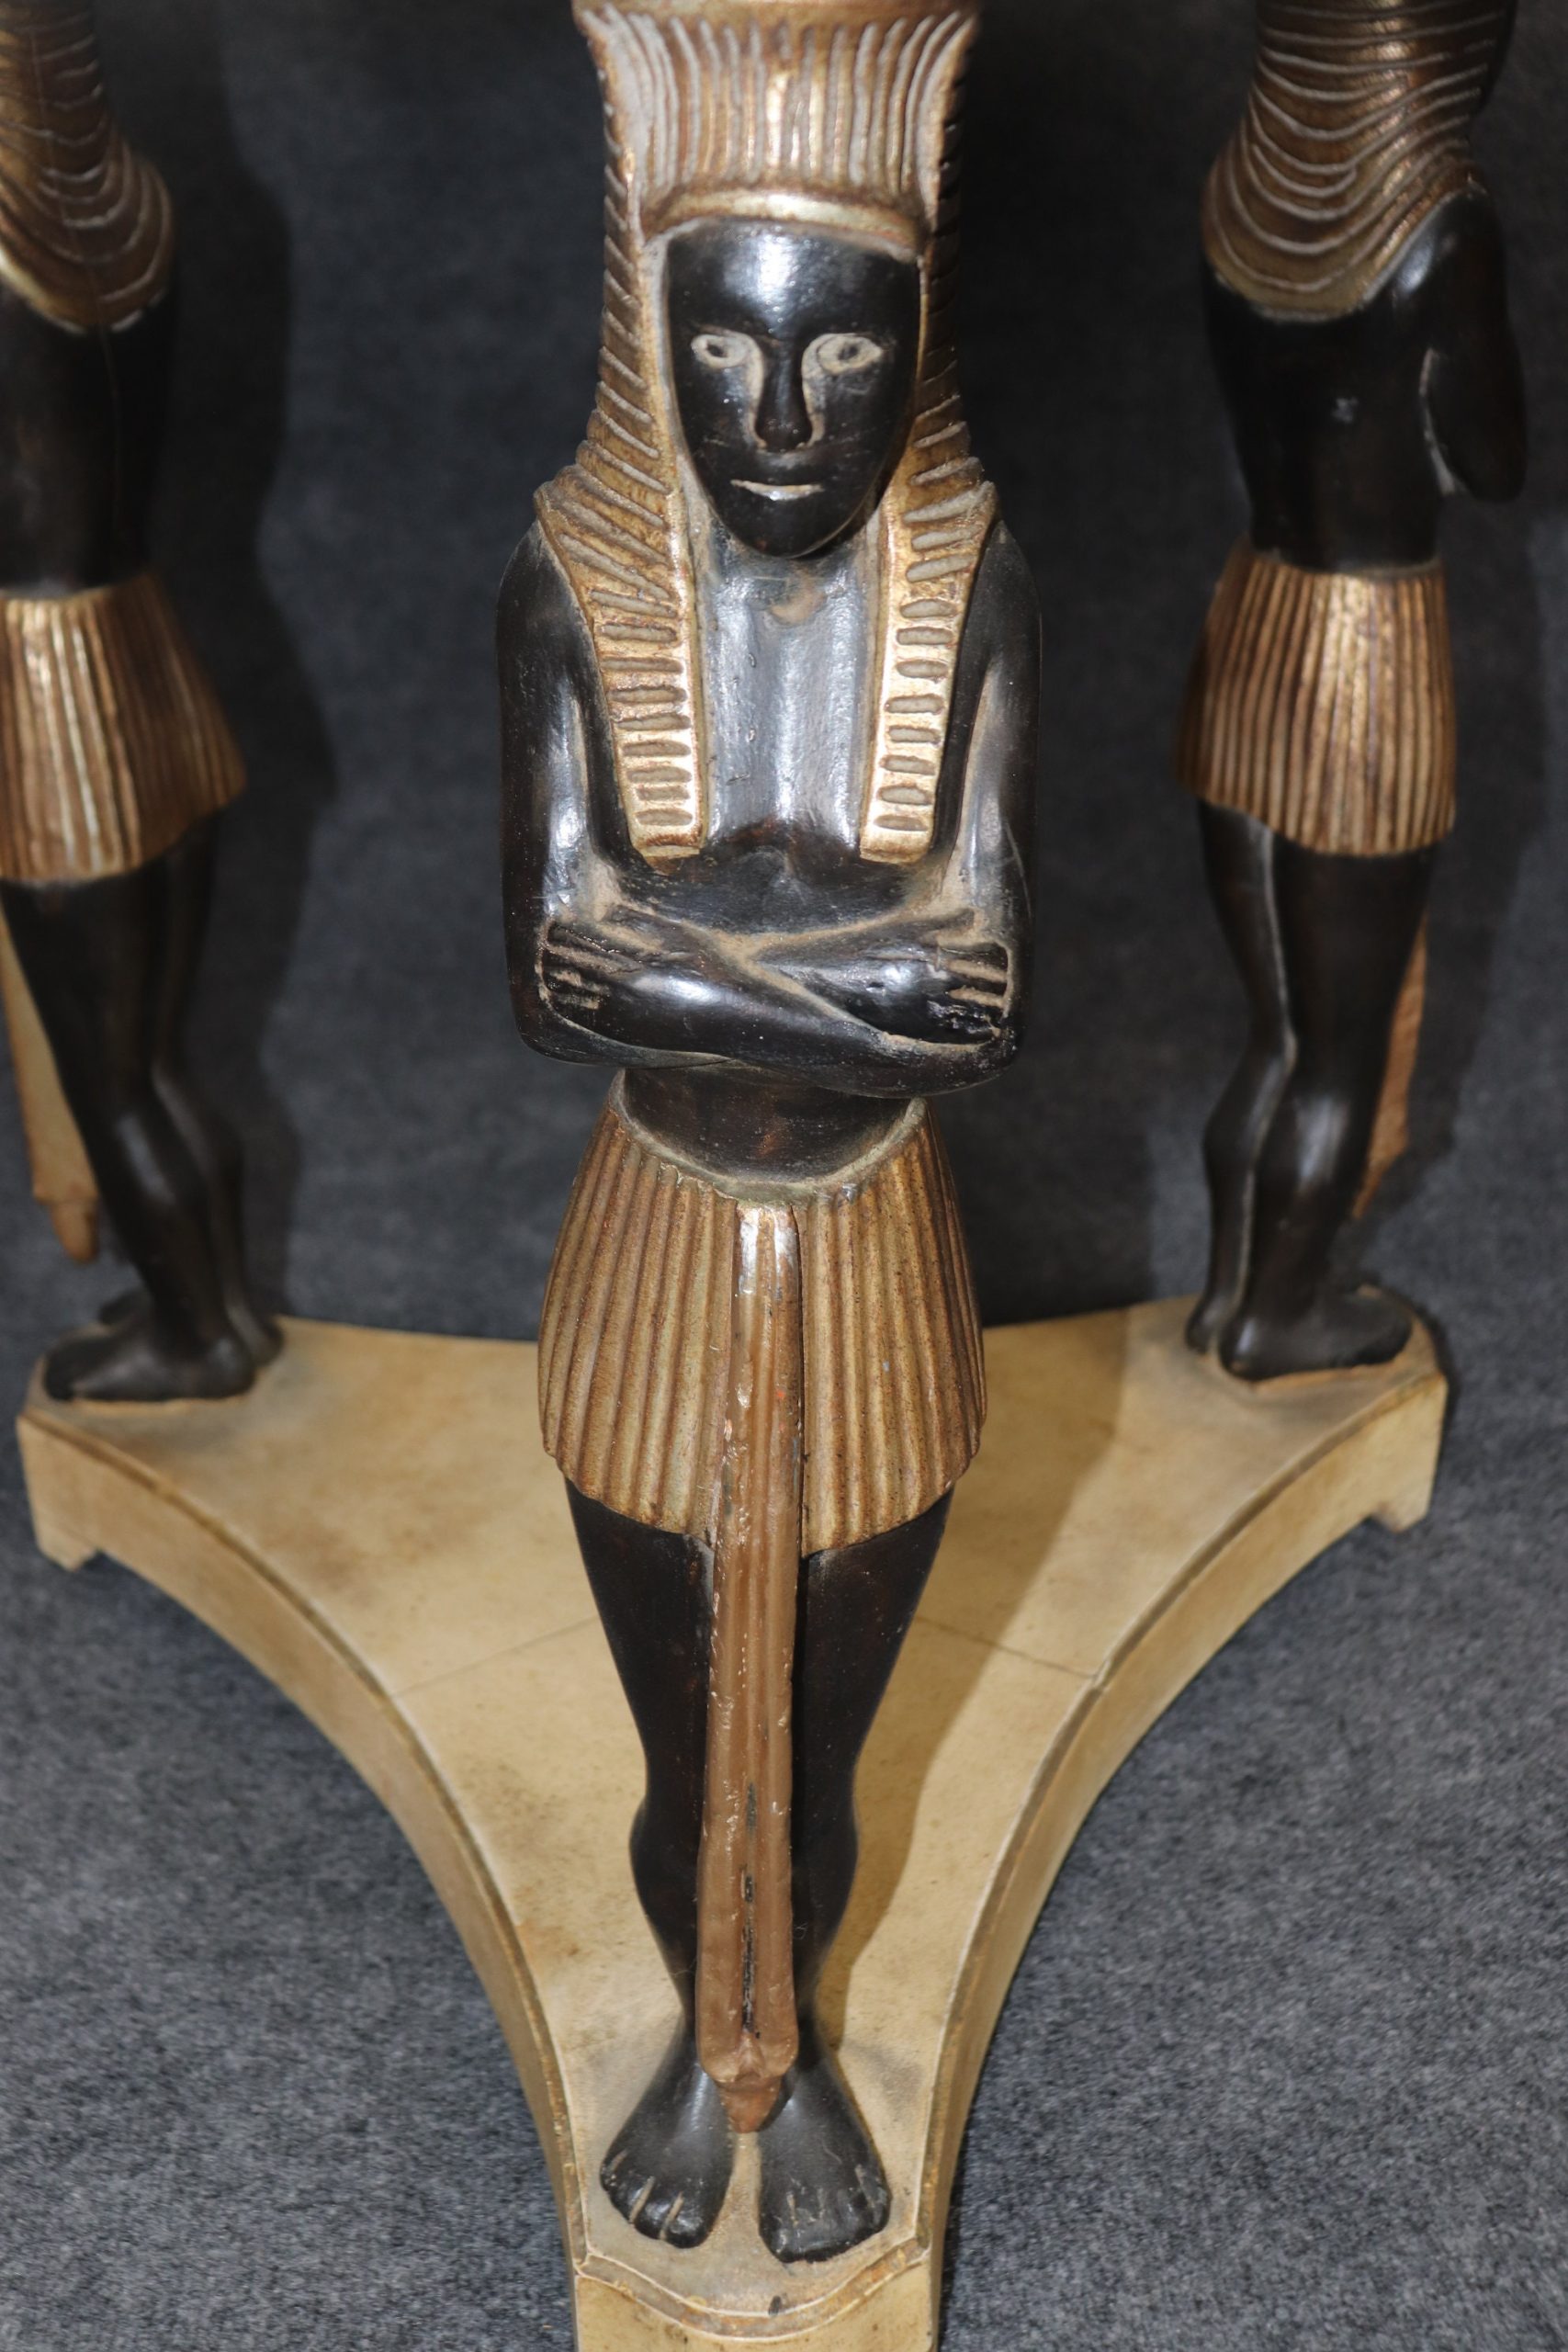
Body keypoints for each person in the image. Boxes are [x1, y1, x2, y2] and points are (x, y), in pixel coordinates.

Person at [499, 0, 1040, 2265]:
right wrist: (851, 984)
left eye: (842, 354)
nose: (786, 421)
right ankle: (700, 2035)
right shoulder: (570, 581)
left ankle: (785, 2045)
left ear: (915, 343)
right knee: (676, 1744)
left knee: (806, 1748)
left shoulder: (971, 582)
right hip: (657, 1239)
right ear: (653, 342)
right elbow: (556, 972)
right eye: (723, 359)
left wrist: (696, 955)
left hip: (875, 1248)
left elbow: (985, 994)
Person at [1179, 0, 1525, 1380]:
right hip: (1369, 646)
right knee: (1340, 1049)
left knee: (1274, 1032)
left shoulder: (1240, 191)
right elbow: (1493, 458)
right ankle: (1279, 1315)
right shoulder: (1438, 226)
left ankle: (1231, 1297)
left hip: (1253, 614)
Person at [0, 0, 275, 1400]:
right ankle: (211, 1305)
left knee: (114, 1079)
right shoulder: (126, 209)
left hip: (46, 710)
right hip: (143, 651)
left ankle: (196, 1333)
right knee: (158, 1062)